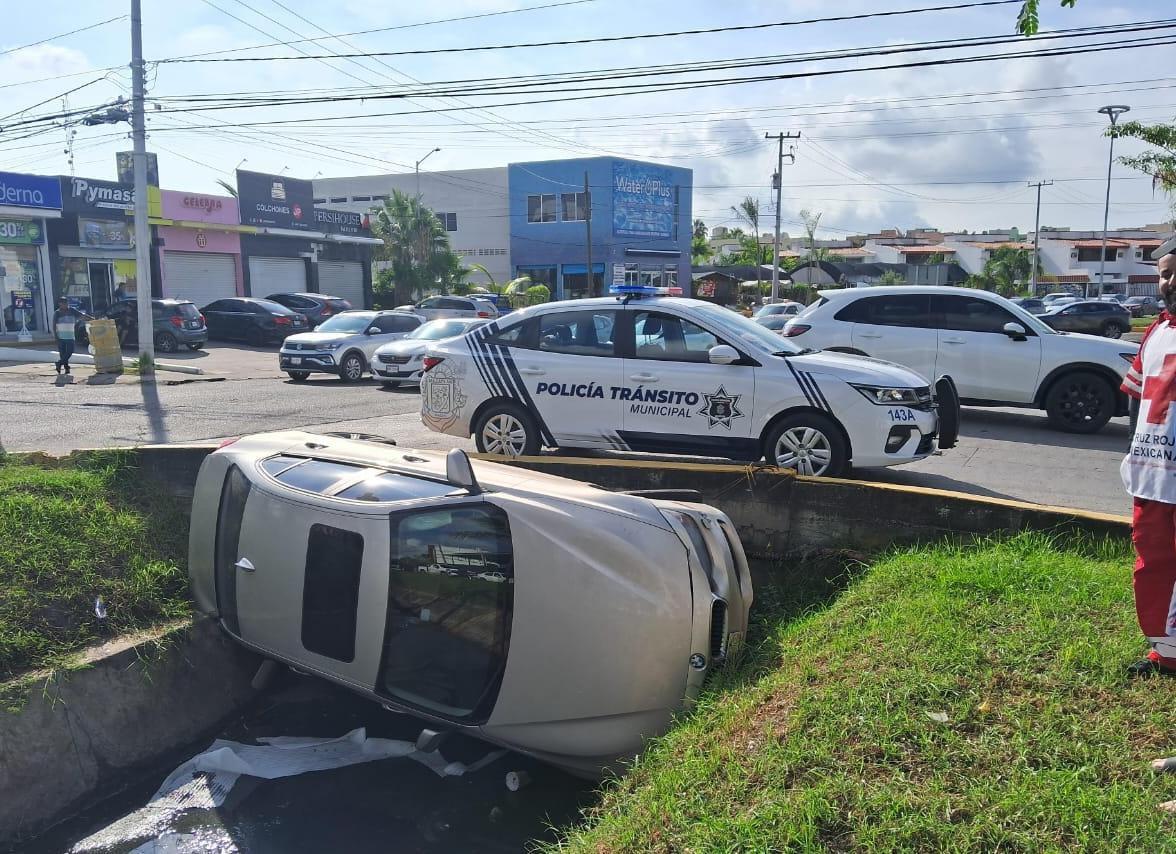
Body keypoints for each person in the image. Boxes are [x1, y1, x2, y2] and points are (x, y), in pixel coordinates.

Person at [1122, 235, 1176, 676]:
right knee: (1153, 565)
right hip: (1152, 478)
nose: (1171, 281)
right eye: (1165, 273)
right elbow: (1137, 400)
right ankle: (1166, 652)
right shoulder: (1156, 331)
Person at [51, 297, 88, 375]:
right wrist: (55, 335)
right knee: (62, 353)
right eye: (63, 303)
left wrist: (91, 318)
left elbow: (82, 315)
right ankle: (66, 368)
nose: (66, 305)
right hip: (60, 336)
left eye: (66, 303)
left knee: (70, 351)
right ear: (60, 304)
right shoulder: (57, 313)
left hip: (70, 336)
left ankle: (59, 363)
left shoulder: (72, 310)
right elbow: (54, 325)